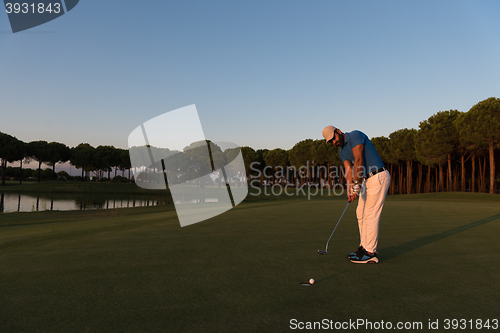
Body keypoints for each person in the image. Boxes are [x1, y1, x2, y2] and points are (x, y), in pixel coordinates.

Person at [322, 125, 390, 264]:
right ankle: (364, 247)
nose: (334, 143)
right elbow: (348, 170)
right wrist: (350, 189)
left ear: (338, 131)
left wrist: (356, 183)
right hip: (366, 180)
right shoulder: (342, 152)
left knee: (370, 214)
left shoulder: (355, 135)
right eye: (331, 142)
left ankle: (370, 253)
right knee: (360, 213)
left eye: (333, 138)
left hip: (378, 176)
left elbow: (359, 160)